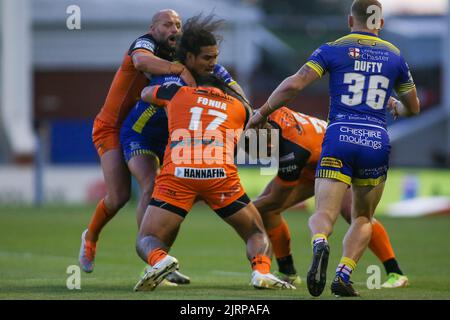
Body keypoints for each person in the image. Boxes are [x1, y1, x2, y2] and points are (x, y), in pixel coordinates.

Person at [245, 0, 420, 297]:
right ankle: (344, 273)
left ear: (351, 22)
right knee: (362, 217)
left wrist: (261, 112)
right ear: (381, 23)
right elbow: (413, 108)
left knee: (324, 213)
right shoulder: (395, 56)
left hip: (338, 136)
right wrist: (394, 105)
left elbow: (295, 84)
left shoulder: (332, 48)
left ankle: (319, 242)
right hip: (375, 140)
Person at [132, 75, 295, 291]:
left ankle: (160, 259)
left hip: (180, 172)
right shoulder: (240, 105)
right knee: (255, 232)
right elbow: (261, 150)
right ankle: (261, 272)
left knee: (147, 237)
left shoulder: (178, 92)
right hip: (219, 175)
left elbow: (144, 93)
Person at [119, 13, 248, 284]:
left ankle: (161, 258)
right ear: (190, 57)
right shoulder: (168, 70)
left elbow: (240, 97)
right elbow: (143, 85)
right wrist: (178, 74)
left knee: (173, 202)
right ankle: (148, 255)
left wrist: (244, 109)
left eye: (215, 58)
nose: (213, 64)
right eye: (207, 58)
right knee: (150, 185)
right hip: (141, 135)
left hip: (172, 140)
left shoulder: (213, 70)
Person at [79, 9, 196, 277]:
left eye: (178, 25)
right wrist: (178, 68)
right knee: (119, 196)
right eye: (167, 24)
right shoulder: (144, 43)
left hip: (147, 129)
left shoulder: (176, 53)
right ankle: (91, 237)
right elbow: (142, 62)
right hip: (111, 128)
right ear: (153, 27)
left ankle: (157, 260)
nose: (174, 29)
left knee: (157, 188)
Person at [252, 106, 409, 288]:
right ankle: (288, 272)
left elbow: (276, 199)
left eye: (254, 150)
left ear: (266, 140)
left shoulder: (293, 149)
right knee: (267, 211)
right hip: (313, 158)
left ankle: (395, 272)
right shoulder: (264, 116)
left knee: (356, 215)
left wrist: (240, 210)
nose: (254, 155)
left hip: (333, 159)